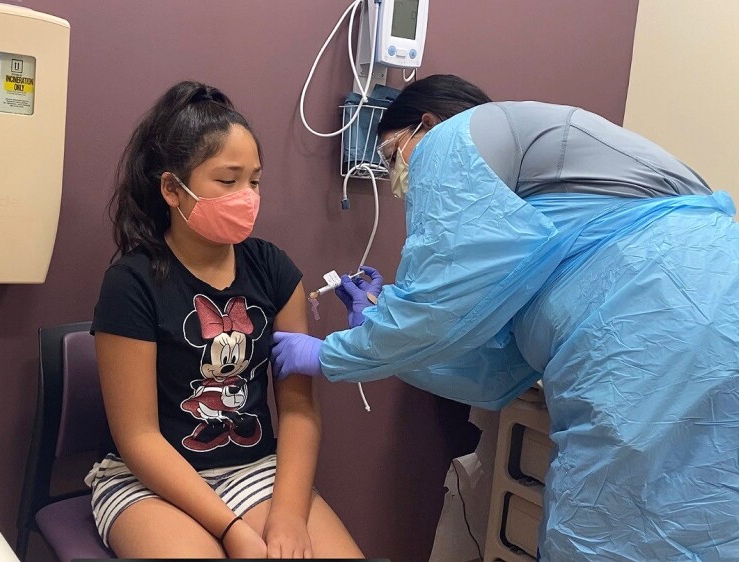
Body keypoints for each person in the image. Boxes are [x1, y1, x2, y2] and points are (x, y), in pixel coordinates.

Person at [271, 74, 739, 560]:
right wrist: (378, 326)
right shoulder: (533, 202)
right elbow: (495, 372)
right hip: (709, 303)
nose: (396, 182)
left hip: (650, 327)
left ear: (425, 125)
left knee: (615, 530)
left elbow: (437, 306)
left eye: (392, 156)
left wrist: (333, 354)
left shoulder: (453, 138)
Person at [87, 80, 363, 560]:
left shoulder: (274, 270)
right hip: (149, 480)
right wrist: (233, 529)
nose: (247, 195)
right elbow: (138, 438)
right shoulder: (130, 285)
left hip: (255, 470)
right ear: (173, 188)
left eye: (254, 180)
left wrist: (290, 516)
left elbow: (298, 410)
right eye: (228, 180)